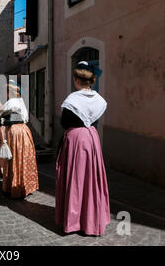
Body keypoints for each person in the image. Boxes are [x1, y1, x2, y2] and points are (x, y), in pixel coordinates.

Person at [54, 61, 110, 236]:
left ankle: (74, 221)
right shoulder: (98, 99)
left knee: (75, 179)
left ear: (77, 80)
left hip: (75, 140)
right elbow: (95, 120)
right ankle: (92, 219)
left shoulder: (73, 99)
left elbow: (64, 122)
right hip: (92, 138)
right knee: (91, 178)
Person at [0, 84, 39, 199]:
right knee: (23, 157)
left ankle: (15, 187)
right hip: (24, 131)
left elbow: (14, 119)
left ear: (10, 93)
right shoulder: (20, 102)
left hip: (16, 133)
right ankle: (25, 185)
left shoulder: (13, 103)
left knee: (15, 158)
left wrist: (0, 121)